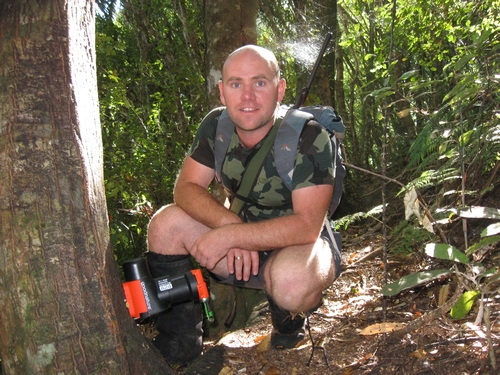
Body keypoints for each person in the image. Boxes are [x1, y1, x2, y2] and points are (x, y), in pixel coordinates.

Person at [145, 44, 341, 365]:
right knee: (165, 223)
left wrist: (234, 237)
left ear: (280, 89)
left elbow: (307, 226)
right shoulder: (216, 127)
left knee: (290, 282)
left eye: (259, 83)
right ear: (222, 92)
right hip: (241, 249)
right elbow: (186, 188)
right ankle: (180, 342)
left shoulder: (309, 136)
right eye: (236, 84)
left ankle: (289, 323)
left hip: (301, 247)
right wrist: (230, 228)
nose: (247, 96)